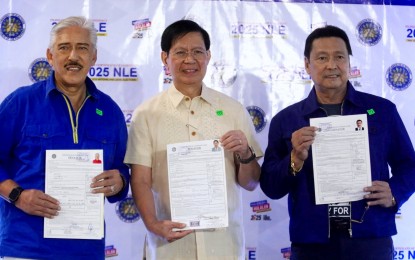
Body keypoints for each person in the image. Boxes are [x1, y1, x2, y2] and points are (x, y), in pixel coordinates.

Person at [260, 25, 415, 260]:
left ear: (349, 63)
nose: (332, 65)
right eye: (322, 58)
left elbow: (410, 166)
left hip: (370, 237)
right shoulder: (287, 120)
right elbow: (271, 187)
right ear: (307, 65)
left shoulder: (382, 111)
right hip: (312, 242)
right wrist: (293, 160)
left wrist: (395, 192)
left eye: (339, 57)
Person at [124, 19, 262, 259]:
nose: (190, 60)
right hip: (170, 246)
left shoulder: (233, 111)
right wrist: (152, 224)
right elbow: (140, 180)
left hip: (223, 246)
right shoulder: (146, 114)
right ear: (164, 58)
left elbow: (250, 184)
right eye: (180, 52)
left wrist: (246, 154)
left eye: (197, 52)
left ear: (208, 56)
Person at [0, 16, 130, 260]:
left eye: (82, 48)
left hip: (87, 251)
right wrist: (17, 196)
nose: (73, 56)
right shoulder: (21, 103)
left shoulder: (110, 111)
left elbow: (121, 169)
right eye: (64, 48)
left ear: (94, 57)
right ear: (50, 56)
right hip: (26, 249)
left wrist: (120, 182)